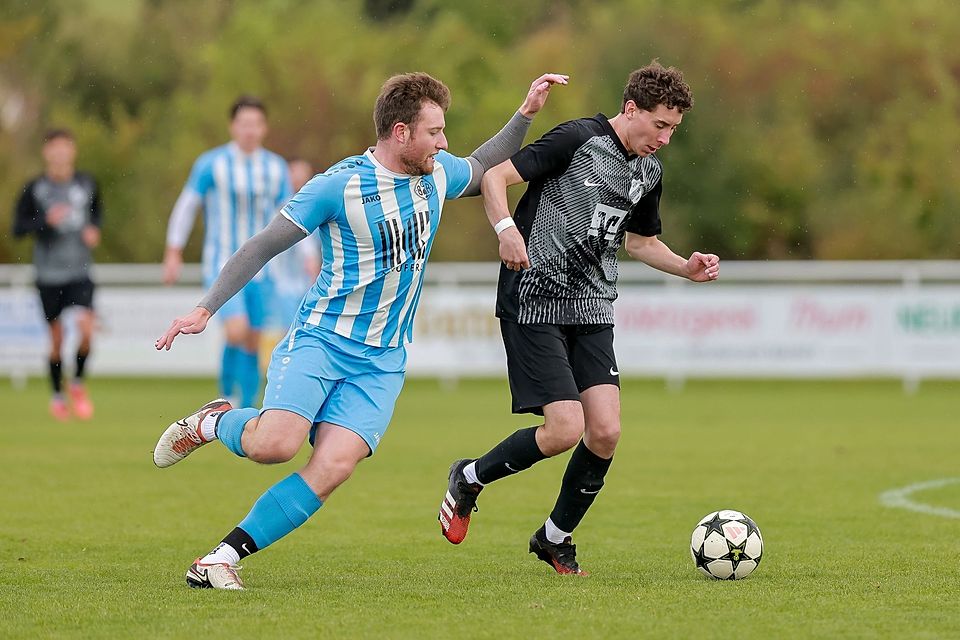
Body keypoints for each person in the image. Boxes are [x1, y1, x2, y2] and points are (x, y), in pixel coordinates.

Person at [152, 71, 569, 590]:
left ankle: (220, 559)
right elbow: (263, 244)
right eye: (435, 132)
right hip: (322, 340)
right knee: (275, 446)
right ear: (400, 132)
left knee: (333, 468)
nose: (444, 143)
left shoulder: (436, 174)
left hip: (382, 360)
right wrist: (205, 309)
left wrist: (526, 112)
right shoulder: (339, 185)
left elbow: (485, 162)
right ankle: (214, 423)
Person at [437, 61, 720, 575]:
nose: (665, 139)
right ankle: (470, 477)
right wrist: (505, 228)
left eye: (673, 130)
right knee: (565, 428)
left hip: (592, 309)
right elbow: (498, 176)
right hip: (535, 299)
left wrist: (685, 267)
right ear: (631, 109)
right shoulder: (576, 139)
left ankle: (554, 537)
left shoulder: (648, 169)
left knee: (606, 432)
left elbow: (639, 241)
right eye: (659, 125)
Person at [162, 96, 292, 409]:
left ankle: (247, 408)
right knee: (236, 331)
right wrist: (173, 250)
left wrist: (310, 255)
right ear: (233, 126)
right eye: (243, 123)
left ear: (264, 128)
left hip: (264, 268)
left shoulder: (276, 168)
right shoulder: (212, 164)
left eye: (255, 124)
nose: (249, 130)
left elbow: (291, 213)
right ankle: (225, 398)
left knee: (253, 338)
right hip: (221, 262)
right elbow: (187, 206)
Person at [12, 128, 102, 421]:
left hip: (80, 270)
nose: (61, 153)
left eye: (66, 147)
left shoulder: (87, 183)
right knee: (57, 340)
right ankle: (57, 395)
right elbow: (17, 228)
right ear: (46, 152)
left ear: (73, 151)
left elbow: (97, 213)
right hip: (48, 274)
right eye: (55, 148)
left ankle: (76, 382)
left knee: (87, 330)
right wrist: (44, 222)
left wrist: (94, 230)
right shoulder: (34, 188)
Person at [266, 158, 321, 337]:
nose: (299, 177)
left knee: (305, 333)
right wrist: (311, 260)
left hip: (310, 283)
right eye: (294, 172)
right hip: (282, 283)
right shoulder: (280, 207)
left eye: (303, 173)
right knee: (290, 333)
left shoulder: (319, 206)